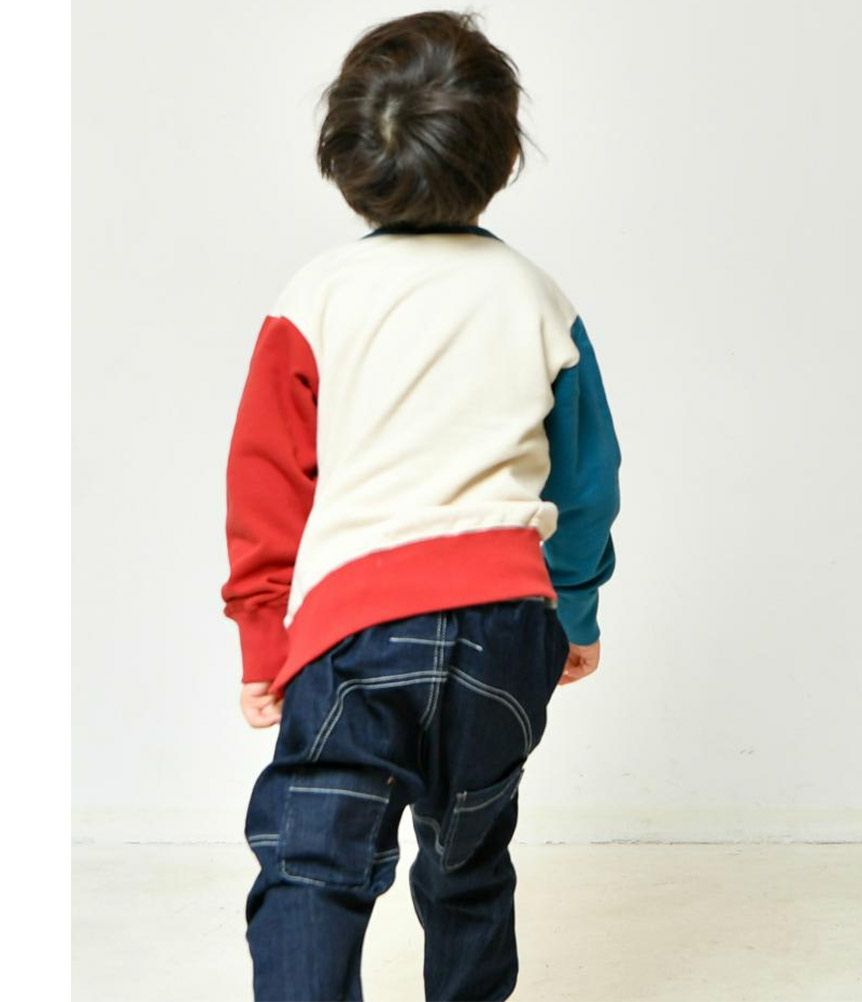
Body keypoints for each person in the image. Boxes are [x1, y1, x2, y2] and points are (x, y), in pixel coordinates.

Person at [220, 10, 621, 1000]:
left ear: (345, 157)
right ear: (503, 155)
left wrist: (264, 637)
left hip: (356, 634)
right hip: (506, 630)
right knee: (470, 858)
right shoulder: (537, 297)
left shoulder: (316, 297)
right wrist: (573, 613)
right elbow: (584, 483)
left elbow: (267, 483)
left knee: (314, 864)